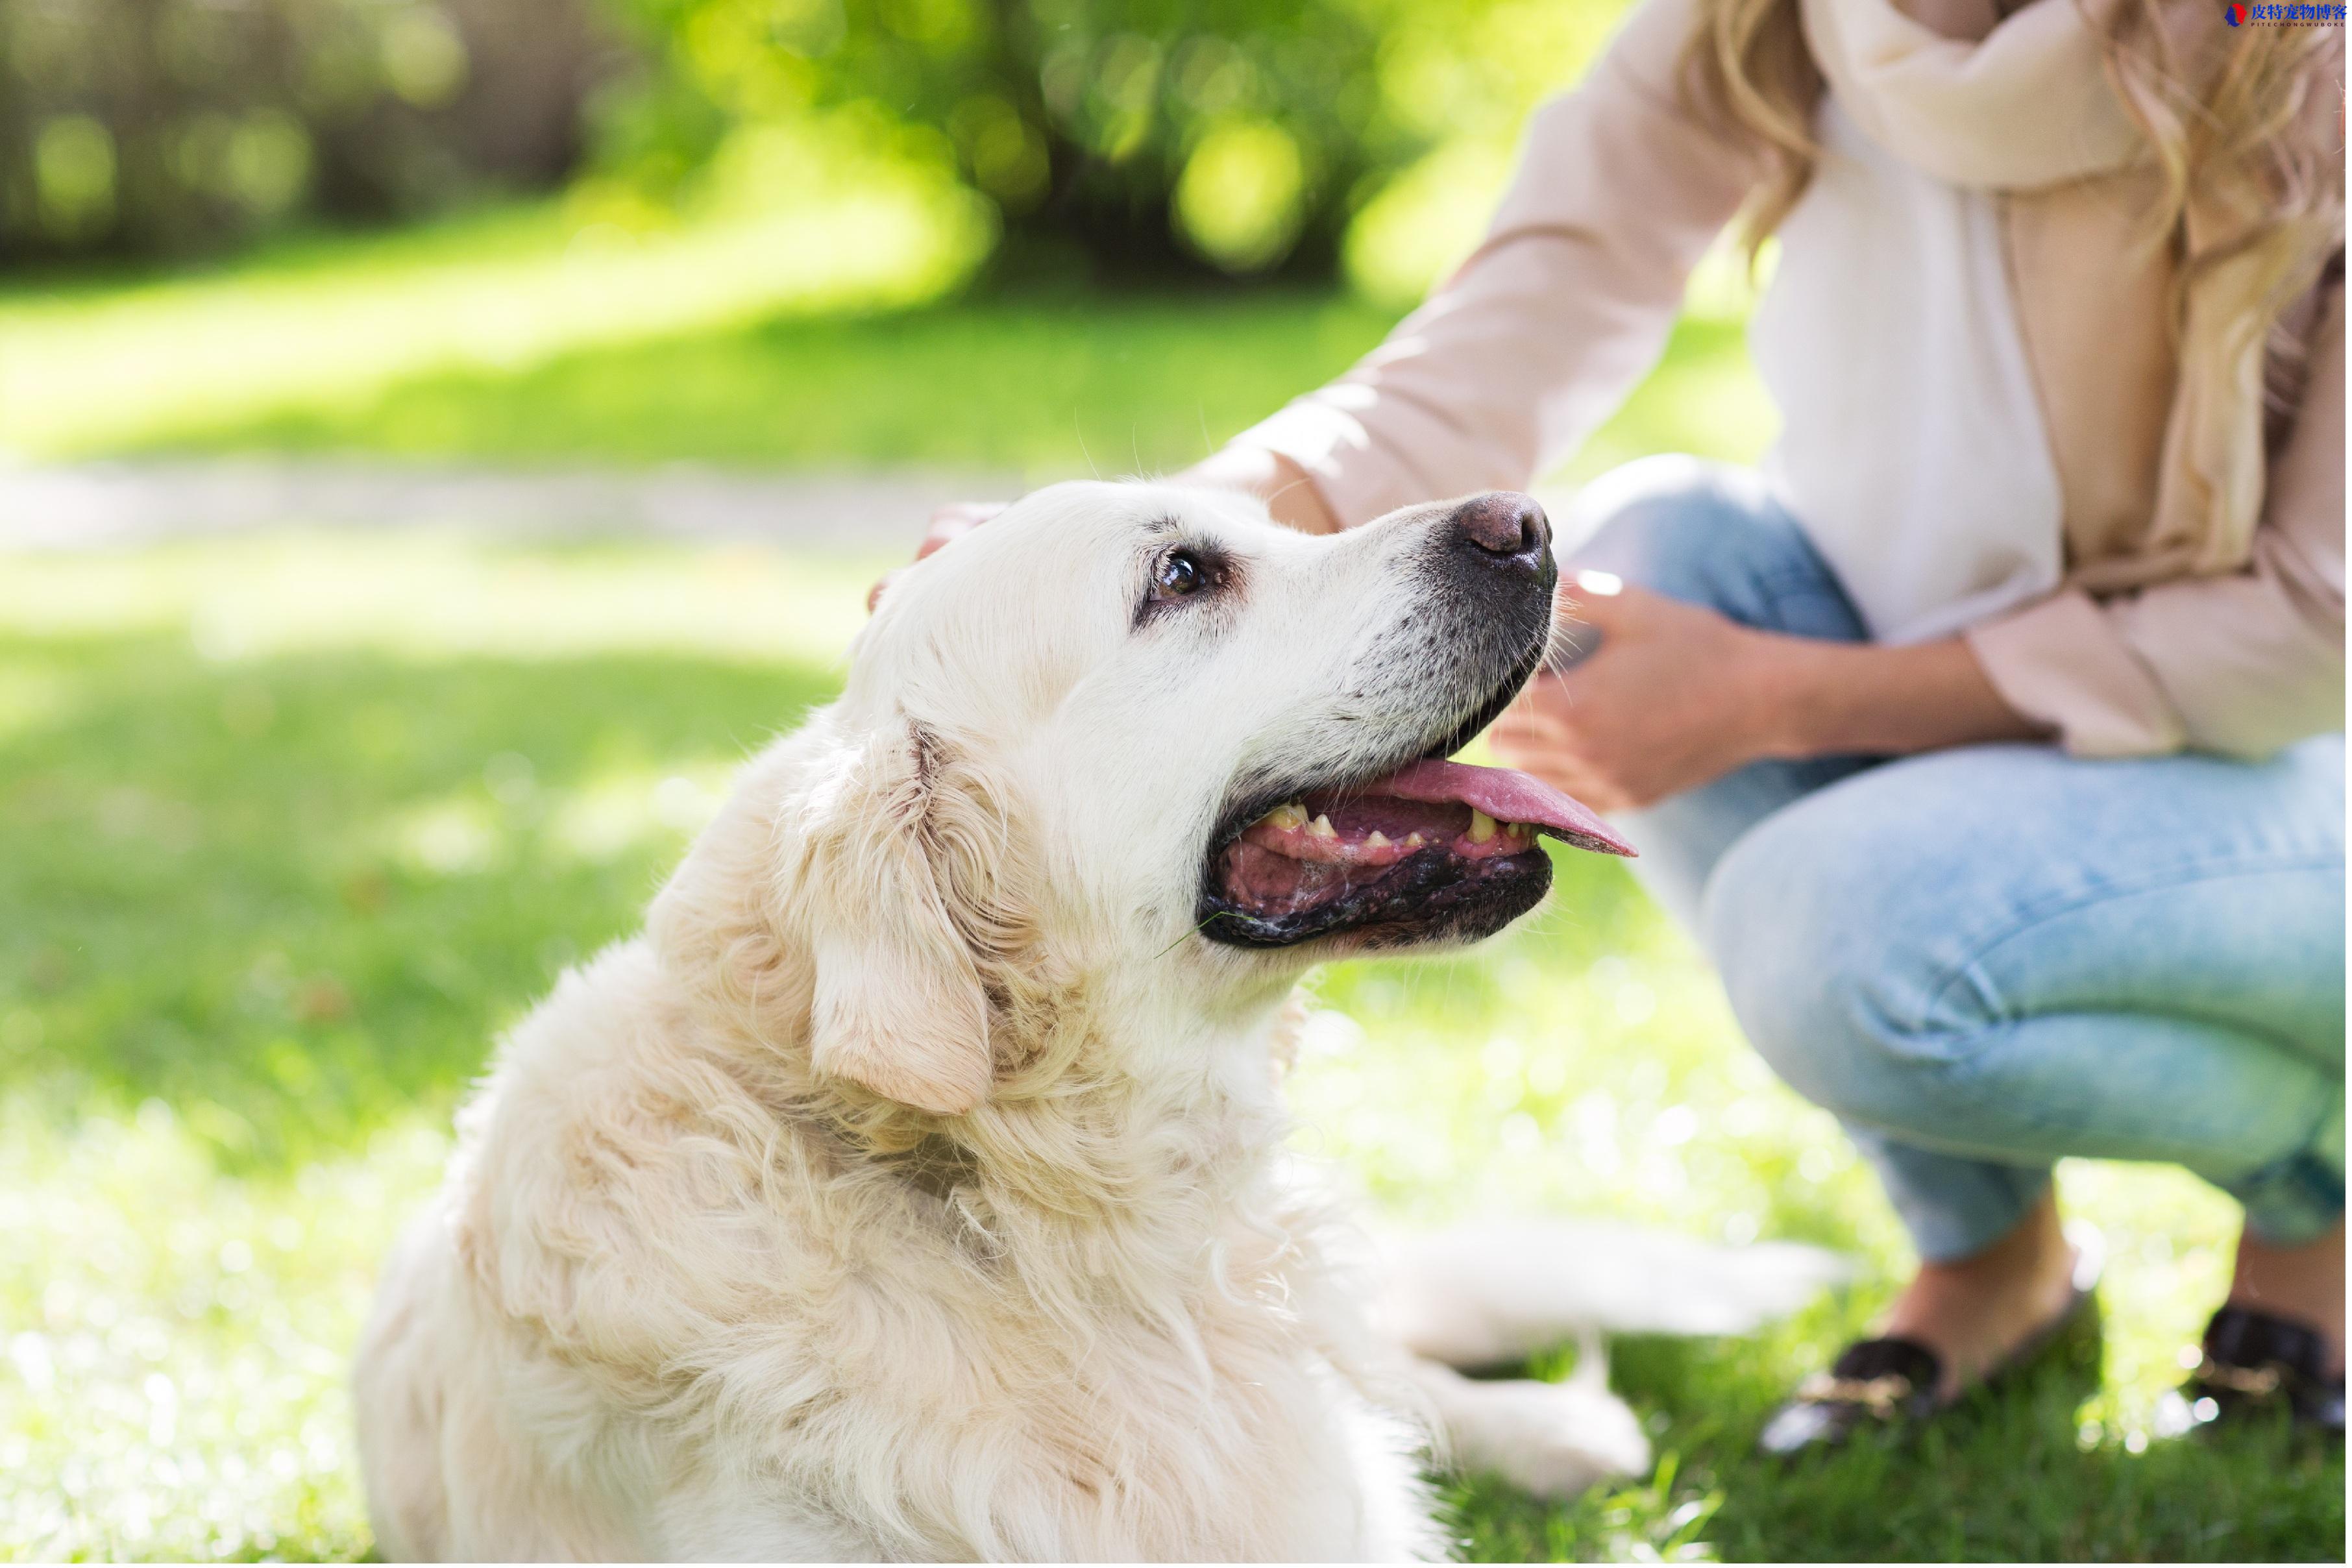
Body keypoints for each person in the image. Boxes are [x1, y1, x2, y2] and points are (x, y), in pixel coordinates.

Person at [913, 0, 2346, 1450]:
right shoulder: (1773, 21)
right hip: (1977, 716)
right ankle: (1994, 1255)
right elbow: (1504, 334)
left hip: (2284, 769)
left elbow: (2320, 620)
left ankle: (2320, 1201)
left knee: (1835, 929)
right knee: (1654, 559)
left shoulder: (2307, 45)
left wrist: (1782, 695)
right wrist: (1103, 549)